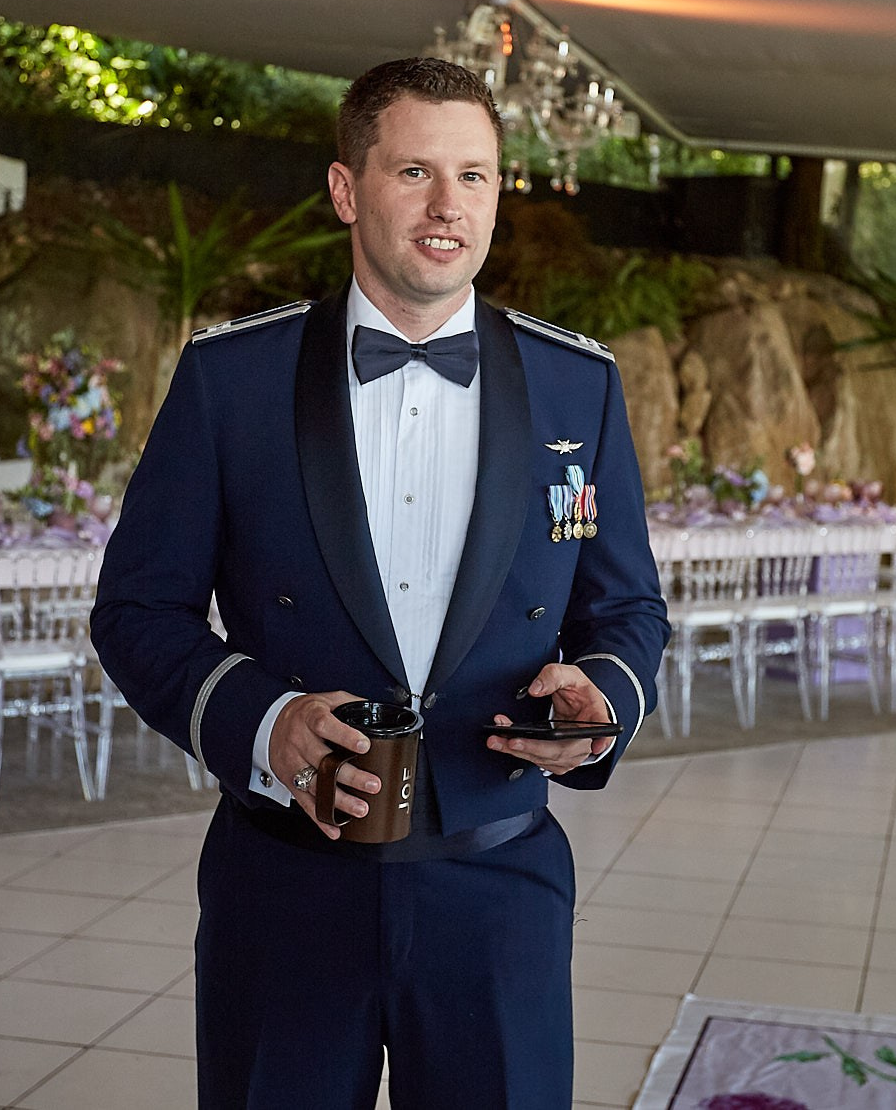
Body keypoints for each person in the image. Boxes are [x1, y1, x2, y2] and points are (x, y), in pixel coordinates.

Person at [90, 56, 669, 1108]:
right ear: (347, 190)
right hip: (282, 883)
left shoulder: (576, 386)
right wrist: (264, 724)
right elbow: (136, 609)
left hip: (499, 880)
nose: (449, 206)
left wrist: (598, 697)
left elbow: (624, 608)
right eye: (414, 171)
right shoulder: (232, 381)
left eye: (475, 176)